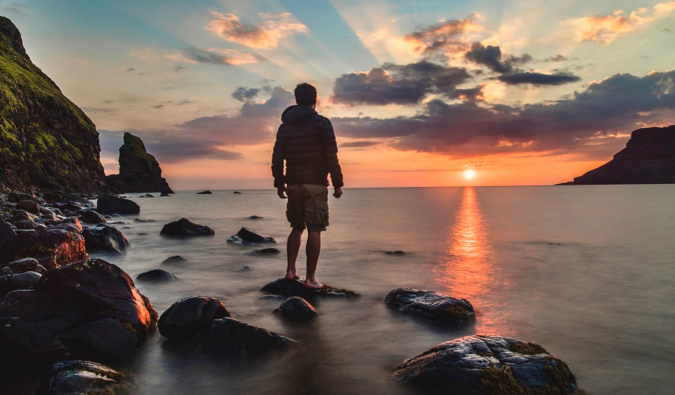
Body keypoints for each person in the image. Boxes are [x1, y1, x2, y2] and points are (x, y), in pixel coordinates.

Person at [271, 82, 344, 289]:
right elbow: (331, 155)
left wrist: (279, 183)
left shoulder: (285, 126)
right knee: (315, 229)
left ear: (296, 100)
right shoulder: (322, 123)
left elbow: (277, 157)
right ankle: (310, 279)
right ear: (315, 100)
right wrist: (337, 184)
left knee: (296, 227)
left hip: (293, 183)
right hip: (315, 184)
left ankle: (290, 271)